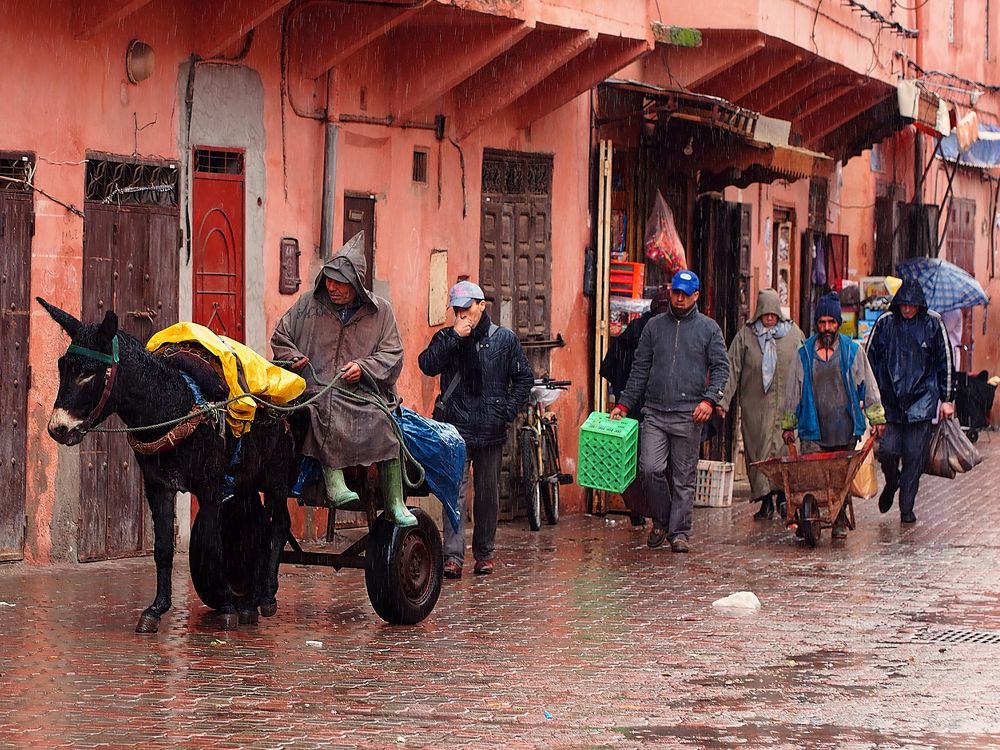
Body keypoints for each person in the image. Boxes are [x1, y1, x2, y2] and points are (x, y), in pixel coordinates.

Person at [270, 232, 414, 527]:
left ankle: (395, 501)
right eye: (328, 280)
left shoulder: (382, 312)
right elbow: (281, 336)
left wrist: (363, 367)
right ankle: (334, 482)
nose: (332, 287)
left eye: (340, 282)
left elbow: (393, 355)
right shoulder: (307, 304)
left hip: (363, 394)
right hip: (314, 388)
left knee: (384, 423)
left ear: (357, 286)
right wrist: (293, 357)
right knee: (318, 407)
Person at [418, 280, 533, 578]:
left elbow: (523, 379)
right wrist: (453, 338)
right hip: (455, 429)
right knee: (453, 493)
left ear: (482, 305)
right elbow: (427, 365)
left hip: (490, 427)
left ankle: (484, 553)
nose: (463, 315)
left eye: (467, 308)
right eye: (457, 310)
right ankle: (452, 556)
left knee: (487, 494)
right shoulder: (447, 336)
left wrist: (506, 411)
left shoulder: (504, 340)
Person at [610, 269, 730, 553]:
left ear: (696, 296)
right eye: (675, 293)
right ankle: (662, 520)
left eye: (685, 295)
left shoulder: (709, 329)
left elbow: (722, 368)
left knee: (683, 477)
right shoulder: (654, 327)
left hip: (690, 413)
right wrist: (624, 404)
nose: (678, 299)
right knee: (649, 469)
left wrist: (709, 400)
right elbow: (640, 368)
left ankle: (679, 533)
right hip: (654, 411)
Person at [781, 291, 886, 539]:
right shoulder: (804, 354)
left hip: (844, 428)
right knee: (813, 480)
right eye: (822, 323)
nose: (826, 328)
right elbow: (792, 392)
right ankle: (810, 517)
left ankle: (838, 519)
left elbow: (868, 386)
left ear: (838, 324)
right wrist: (788, 425)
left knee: (840, 479)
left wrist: (877, 418)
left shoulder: (852, 352)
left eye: (831, 323)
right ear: (816, 324)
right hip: (812, 428)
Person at [866, 278, 954, 524]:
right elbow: (869, 361)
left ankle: (906, 506)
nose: (907, 309)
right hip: (890, 402)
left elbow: (944, 361)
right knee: (888, 451)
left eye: (912, 305)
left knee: (914, 457)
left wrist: (947, 398)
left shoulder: (933, 324)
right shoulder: (885, 323)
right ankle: (892, 482)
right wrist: (870, 399)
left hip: (922, 401)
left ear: (920, 306)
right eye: (903, 304)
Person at [717, 289, 805, 520]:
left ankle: (784, 497)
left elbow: (807, 367)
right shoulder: (746, 336)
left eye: (772, 313)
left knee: (785, 451)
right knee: (758, 453)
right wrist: (722, 400)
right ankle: (764, 499)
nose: (768, 318)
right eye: (764, 313)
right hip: (756, 407)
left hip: (787, 407)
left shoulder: (793, 334)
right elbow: (731, 369)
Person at [599, 288, 671, 528]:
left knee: (631, 462)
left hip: (629, 409)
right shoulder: (667, 332)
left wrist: (623, 395)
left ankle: (636, 509)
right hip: (656, 408)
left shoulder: (633, 331)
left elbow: (609, 368)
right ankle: (659, 512)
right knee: (657, 465)